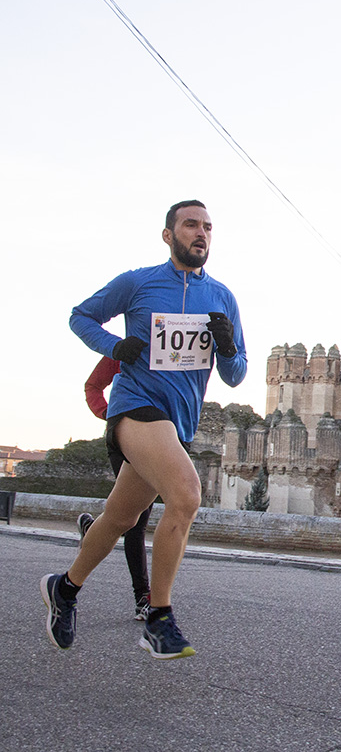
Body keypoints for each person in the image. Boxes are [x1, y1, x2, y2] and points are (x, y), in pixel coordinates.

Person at [42, 199, 246, 660]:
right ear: (168, 234)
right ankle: (159, 618)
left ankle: (65, 588)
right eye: (191, 224)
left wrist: (229, 345)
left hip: (179, 423)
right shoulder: (138, 282)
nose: (201, 233)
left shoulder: (223, 297)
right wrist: (117, 346)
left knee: (120, 518)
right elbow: (81, 315)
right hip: (135, 408)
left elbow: (235, 374)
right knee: (187, 493)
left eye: (208, 227)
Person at [78, 355, 154, 621]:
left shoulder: (167, 347)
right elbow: (93, 386)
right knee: (136, 519)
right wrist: (108, 413)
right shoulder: (121, 350)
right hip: (124, 435)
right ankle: (143, 597)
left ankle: (93, 531)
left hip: (158, 437)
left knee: (128, 514)